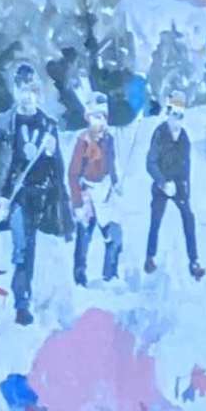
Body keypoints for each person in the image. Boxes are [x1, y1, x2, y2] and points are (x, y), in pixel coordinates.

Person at [0, 65, 70, 327]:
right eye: (23, 90)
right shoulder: (5, 124)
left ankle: (25, 293)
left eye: (32, 90)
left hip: (41, 196)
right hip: (15, 197)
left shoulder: (47, 126)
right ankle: (21, 304)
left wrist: (50, 154)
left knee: (31, 249)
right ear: (15, 91)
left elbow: (57, 169)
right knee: (21, 247)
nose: (28, 96)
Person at [142, 95, 199, 279]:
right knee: (155, 220)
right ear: (168, 114)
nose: (177, 120)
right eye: (175, 115)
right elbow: (150, 163)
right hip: (162, 184)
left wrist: (186, 189)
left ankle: (194, 261)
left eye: (181, 116)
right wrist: (162, 182)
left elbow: (186, 166)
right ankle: (150, 257)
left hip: (179, 185)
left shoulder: (184, 138)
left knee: (188, 218)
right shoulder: (160, 134)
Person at [66, 101, 121, 285]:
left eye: (102, 117)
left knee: (114, 233)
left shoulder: (109, 139)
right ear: (88, 119)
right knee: (84, 234)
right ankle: (80, 277)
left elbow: (111, 163)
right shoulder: (83, 142)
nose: (100, 121)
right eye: (96, 117)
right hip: (86, 191)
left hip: (104, 190)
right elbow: (73, 173)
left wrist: (115, 181)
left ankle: (110, 274)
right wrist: (77, 203)